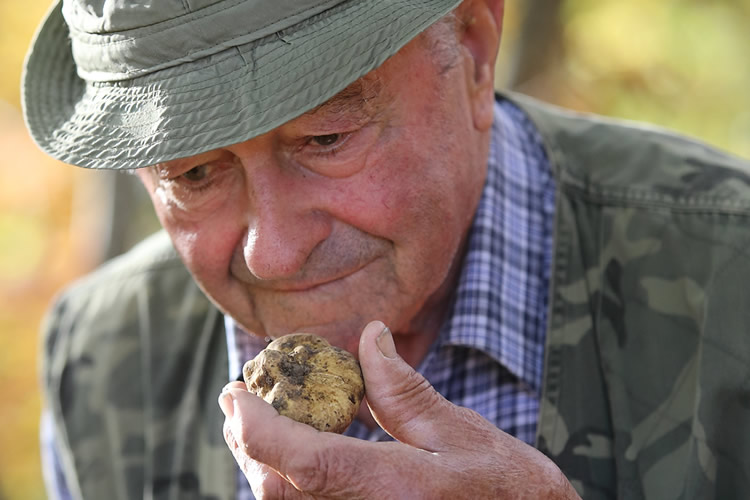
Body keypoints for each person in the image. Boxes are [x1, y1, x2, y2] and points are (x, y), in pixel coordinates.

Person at [23, 0, 750, 498]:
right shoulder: (103, 358)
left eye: (326, 138)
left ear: (472, 47)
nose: (272, 253)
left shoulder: (732, 289)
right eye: (193, 173)